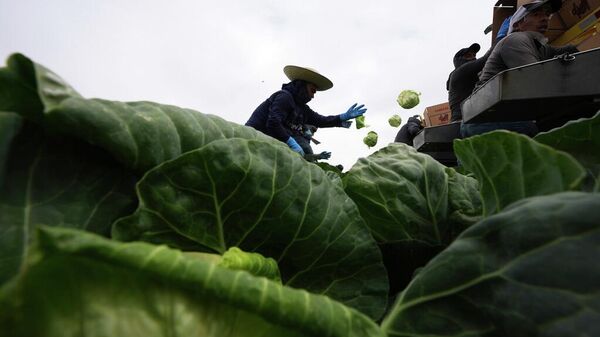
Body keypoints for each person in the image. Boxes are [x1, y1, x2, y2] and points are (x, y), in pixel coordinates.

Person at [462, 0, 579, 138]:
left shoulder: (538, 46)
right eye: (536, 14)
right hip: (487, 119)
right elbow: (536, 79)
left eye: (547, 14)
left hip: (495, 115)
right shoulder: (515, 40)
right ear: (518, 25)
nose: (544, 18)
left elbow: (566, 50)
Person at [246, 65, 367, 157]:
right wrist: (290, 142)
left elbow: (321, 120)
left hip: (268, 145)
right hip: (251, 141)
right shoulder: (284, 97)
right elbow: (273, 123)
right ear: (302, 86)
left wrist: (342, 117)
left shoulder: (302, 109)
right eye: (312, 90)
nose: (313, 96)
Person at [446, 43, 492, 122]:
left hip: (467, 118)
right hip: (464, 120)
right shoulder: (461, 70)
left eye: (474, 55)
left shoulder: (470, 75)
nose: (473, 58)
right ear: (459, 60)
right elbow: (486, 59)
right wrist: (501, 37)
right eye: (468, 56)